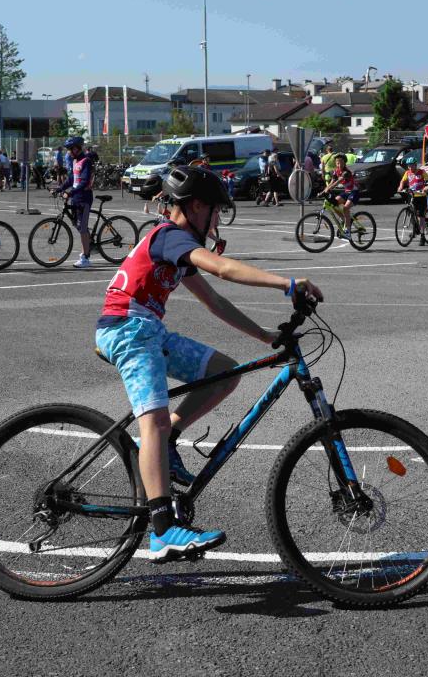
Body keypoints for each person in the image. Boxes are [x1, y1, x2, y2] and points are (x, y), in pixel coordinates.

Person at [94, 165, 324, 562]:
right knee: (153, 420)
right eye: (216, 211)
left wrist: (265, 336)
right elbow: (223, 268)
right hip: (127, 330)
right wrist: (287, 283)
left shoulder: (175, 247)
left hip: (147, 330)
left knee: (222, 373)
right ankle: (162, 531)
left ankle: (163, 443)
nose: (217, 220)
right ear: (196, 205)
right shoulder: (170, 237)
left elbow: (214, 300)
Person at [52, 136, 94, 268]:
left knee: (82, 228)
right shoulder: (75, 161)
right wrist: (59, 188)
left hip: (84, 199)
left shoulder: (86, 161)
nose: (69, 152)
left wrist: (70, 192)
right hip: (75, 198)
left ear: (77, 148)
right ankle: (88, 244)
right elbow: (71, 179)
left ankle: (85, 258)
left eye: (70, 149)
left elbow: (84, 182)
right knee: (79, 226)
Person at [321, 153, 358, 238]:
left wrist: (327, 190)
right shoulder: (336, 171)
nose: (339, 164)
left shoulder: (346, 172)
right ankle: (345, 219)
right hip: (346, 192)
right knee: (333, 204)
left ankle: (348, 232)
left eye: (341, 162)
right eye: (337, 163)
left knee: (345, 208)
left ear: (344, 163)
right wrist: (323, 191)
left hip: (354, 192)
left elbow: (337, 182)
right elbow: (331, 182)